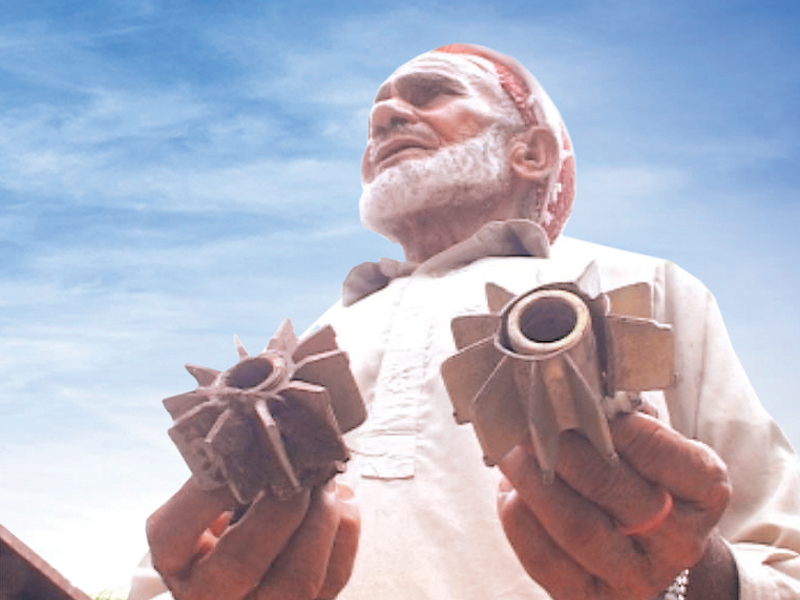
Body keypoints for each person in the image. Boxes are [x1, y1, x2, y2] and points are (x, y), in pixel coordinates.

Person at [131, 44, 800, 600]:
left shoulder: (646, 287)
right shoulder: (303, 348)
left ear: (531, 154)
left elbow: (780, 566)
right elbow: (177, 569)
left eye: (429, 94)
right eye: (375, 117)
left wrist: (688, 576)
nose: (386, 115)